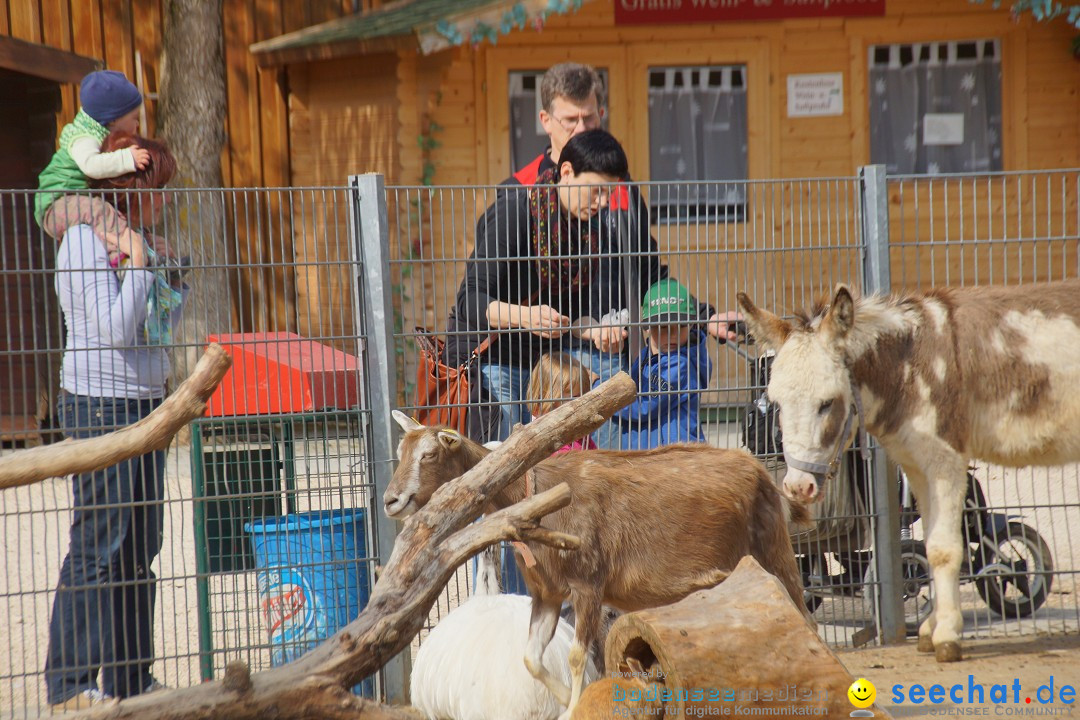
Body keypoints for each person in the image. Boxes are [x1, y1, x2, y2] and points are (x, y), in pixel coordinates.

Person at [457, 62, 737, 448]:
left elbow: (647, 273)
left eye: (589, 118)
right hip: (515, 359)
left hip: (592, 357)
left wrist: (703, 317)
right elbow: (471, 298)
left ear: (601, 115)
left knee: (598, 478)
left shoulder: (615, 195)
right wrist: (528, 317)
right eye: (570, 120)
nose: (581, 129)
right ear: (546, 121)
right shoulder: (517, 196)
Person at [44, 131, 186, 711]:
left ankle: (130, 678)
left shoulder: (138, 241)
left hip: (145, 403)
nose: (168, 201)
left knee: (140, 545)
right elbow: (115, 330)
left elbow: (153, 334)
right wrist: (145, 266)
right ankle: (70, 685)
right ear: (132, 190)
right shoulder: (82, 242)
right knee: (99, 544)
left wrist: (169, 276)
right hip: (100, 406)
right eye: (161, 191)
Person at [35, 70, 152, 265]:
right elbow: (91, 166)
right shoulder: (84, 138)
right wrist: (126, 158)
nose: (137, 123)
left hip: (72, 202)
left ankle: (131, 256)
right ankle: (125, 258)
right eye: (134, 117)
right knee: (100, 211)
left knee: (108, 216)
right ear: (113, 119)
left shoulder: (96, 132)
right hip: (56, 205)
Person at [611, 278, 713, 450]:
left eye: (680, 325)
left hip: (678, 458)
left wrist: (599, 392)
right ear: (647, 327)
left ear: (691, 325)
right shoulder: (645, 356)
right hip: (652, 458)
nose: (673, 334)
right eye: (663, 326)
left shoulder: (680, 366)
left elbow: (643, 407)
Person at [525, 352, 599, 455]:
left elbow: (594, 455)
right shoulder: (540, 435)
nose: (573, 404)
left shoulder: (580, 434)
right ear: (545, 396)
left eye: (577, 397)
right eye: (566, 398)